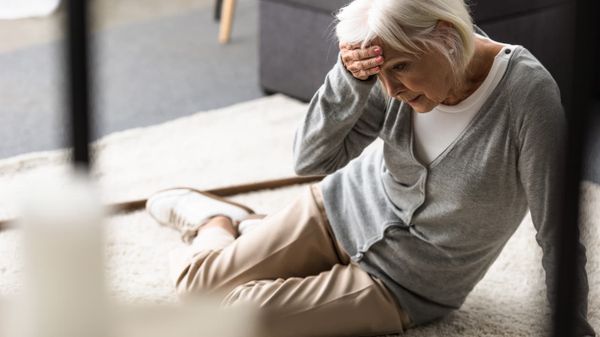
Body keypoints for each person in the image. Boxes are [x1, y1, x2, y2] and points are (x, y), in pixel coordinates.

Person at [146, 0, 596, 336]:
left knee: (235, 316)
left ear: (445, 36)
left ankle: (249, 229)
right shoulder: (390, 68)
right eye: (380, 74)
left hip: (403, 283)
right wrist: (350, 77)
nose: (392, 89)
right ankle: (219, 220)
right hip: (336, 210)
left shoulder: (526, 96)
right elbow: (312, 160)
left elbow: (556, 227)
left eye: (401, 68)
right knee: (194, 288)